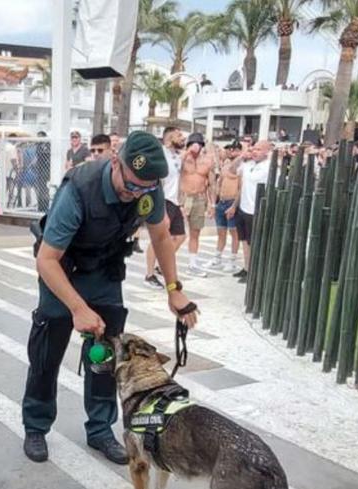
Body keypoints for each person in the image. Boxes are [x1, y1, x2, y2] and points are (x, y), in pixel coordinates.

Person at [22, 131, 199, 464]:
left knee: (105, 359)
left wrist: (174, 290)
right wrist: (77, 308)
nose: (135, 194)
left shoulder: (148, 186)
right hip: (62, 269)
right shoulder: (79, 188)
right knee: (46, 353)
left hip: (104, 271)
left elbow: (161, 235)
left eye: (144, 188)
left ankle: (100, 430)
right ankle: (36, 426)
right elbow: (46, 260)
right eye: (130, 185)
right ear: (115, 162)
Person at [145, 127, 185, 289]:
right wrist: (160, 207)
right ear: (169, 137)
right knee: (158, 238)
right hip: (164, 200)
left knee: (180, 236)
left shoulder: (176, 156)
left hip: (174, 201)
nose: (183, 138)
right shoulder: (160, 154)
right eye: (179, 135)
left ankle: (161, 264)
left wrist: (181, 202)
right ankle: (149, 275)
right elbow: (157, 181)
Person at [227, 140, 272, 283]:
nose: (255, 152)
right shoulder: (248, 165)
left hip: (257, 209)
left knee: (254, 242)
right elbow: (231, 170)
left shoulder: (270, 166)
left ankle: (255, 270)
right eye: (254, 149)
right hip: (244, 207)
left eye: (259, 150)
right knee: (245, 240)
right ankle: (246, 267)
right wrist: (242, 156)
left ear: (266, 151)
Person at [179, 132, 214, 276]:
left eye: (198, 145)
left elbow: (212, 184)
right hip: (183, 198)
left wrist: (212, 204)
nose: (196, 147)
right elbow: (173, 166)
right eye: (193, 144)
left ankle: (192, 264)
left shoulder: (207, 161)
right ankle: (160, 264)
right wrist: (187, 152)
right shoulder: (182, 158)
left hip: (199, 198)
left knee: (195, 232)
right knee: (176, 233)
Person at [212, 141, 243, 274]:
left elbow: (241, 187)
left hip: (232, 201)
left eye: (235, 150)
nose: (232, 152)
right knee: (221, 232)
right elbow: (219, 182)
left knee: (234, 233)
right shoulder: (225, 164)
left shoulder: (241, 166)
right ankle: (217, 258)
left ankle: (232, 261)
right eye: (230, 149)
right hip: (222, 202)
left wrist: (235, 206)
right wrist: (215, 202)